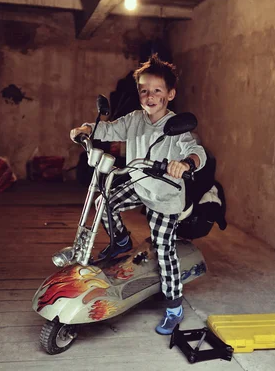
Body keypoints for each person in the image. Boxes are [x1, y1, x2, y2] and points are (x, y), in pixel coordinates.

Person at [69, 54, 206, 335]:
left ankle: (174, 306)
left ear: (170, 94)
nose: (150, 95)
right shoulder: (134, 119)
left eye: (157, 90)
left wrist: (187, 163)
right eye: (144, 90)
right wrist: (87, 129)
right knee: (104, 201)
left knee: (163, 248)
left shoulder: (176, 127)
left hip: (164, 197)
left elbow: (197, 150)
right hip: (139, 183)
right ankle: (120, 242)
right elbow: (109, 128)